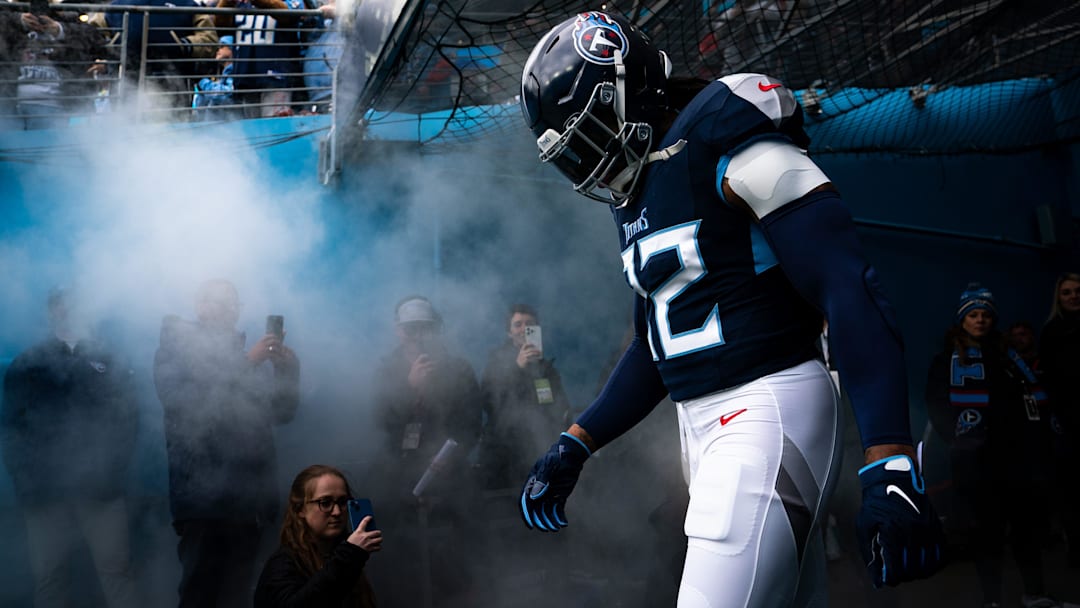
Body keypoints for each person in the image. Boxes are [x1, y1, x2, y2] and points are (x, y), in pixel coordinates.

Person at [515, 11, 944, 606]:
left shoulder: (724, 132)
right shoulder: (640, 185)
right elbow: (656, 342)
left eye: (587, 136)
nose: (586, 164)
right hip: (707, 427)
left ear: (627, 91)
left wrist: (888, 452)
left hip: (764, 407)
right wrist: (578, 439)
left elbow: (846, 284)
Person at [153, 278, 301, 607]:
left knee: (240, 595)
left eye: (232, 303)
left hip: (249, 498)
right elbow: (188, 407)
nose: (227, 309)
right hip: (202, 498)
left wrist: (287, 371)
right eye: (218, 301)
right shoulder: (175, 346)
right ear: (199, 305)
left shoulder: (245, 351)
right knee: (200, 593)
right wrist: (247, 363)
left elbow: (282, 413)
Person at [0, 287, 139, 608]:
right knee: (50, 576)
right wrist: (27, 485)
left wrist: (111, 474)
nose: (68, 312)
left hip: (102, 491)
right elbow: (11, 429)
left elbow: (128, 422)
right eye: (61, 307)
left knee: (117, 571)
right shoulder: (27, 364)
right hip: (44, 493)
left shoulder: (111, 360)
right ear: (51, 314)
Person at [926, 284, 1058, 608]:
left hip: (1016, 458)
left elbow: (1030, 401)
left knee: (1026, 530)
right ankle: (991, 601)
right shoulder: (947, 360)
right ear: (963, 320)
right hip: (975, 462)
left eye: (986, 315)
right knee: (986, 534)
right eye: (974, 315)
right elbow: (937, 404)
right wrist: (959, 440)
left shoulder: (1009, 357)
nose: (981, 320)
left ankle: (1035, 594)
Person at [370, 295, 483, 607]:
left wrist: (453, 456)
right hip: (400, 477)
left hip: (449, 476)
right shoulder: (387, 370)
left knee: (455, 561)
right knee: (399, 558)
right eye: (411, 329)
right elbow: (381, 422)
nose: (418, 336)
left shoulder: (458, 368)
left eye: (425, 328)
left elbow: (472, 423)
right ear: (399, 331)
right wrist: (410, 390)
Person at [254, 465, 382, 608]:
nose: (337, 512)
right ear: (300, 509)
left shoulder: (342, 555)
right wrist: (350, 554)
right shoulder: (283, 564)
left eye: (342, 502)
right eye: (325, 503)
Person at [479, 303, 570, 489]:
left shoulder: (546, 369)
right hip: (504, 457)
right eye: (517, 324)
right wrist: (517, 369)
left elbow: (561, 408)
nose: (523, 329)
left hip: (539, 452)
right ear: (509, 332)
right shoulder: (496, 362)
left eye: (529, 324)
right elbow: (491, 403)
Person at [1040, 272, 1080, 567]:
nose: (1073, 296)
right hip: (1068, 421)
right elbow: (1050, 382)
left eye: (1077, 291)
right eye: (1067, 292)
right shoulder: (1051, 332)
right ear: (1059, 297)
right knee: (1071, 488)